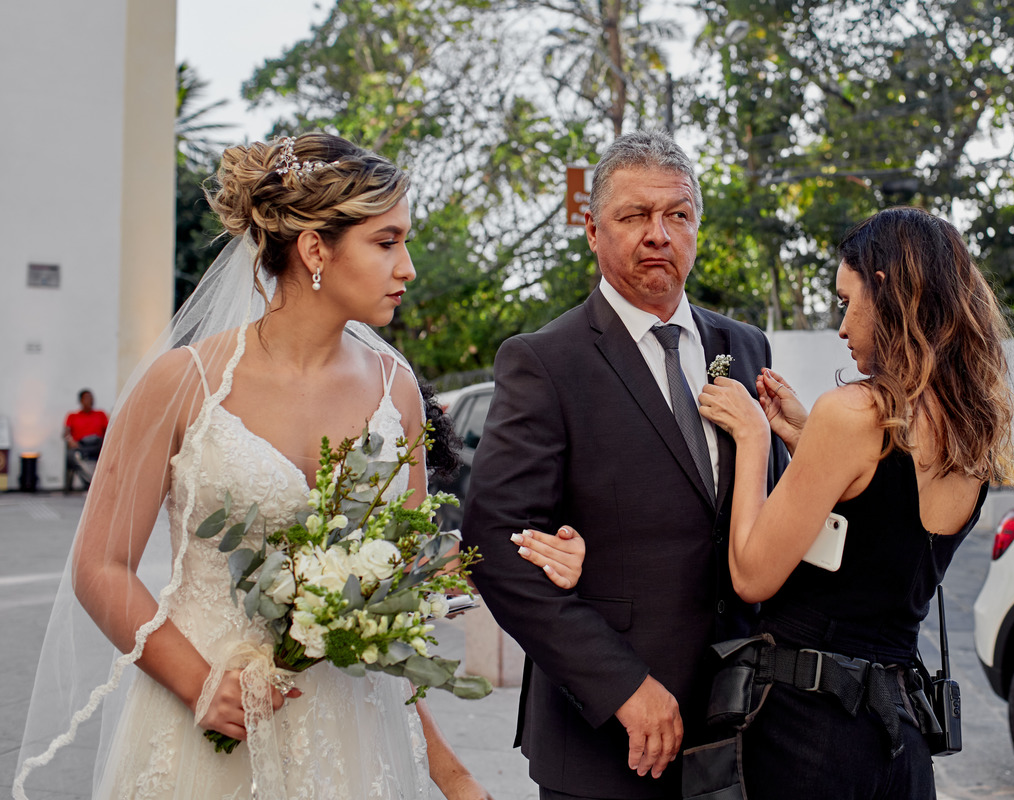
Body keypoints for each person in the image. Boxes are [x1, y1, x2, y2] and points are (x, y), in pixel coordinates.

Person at [13, 133, 573, 800]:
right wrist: (199, 684)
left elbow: (393, 600)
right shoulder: (181, 383)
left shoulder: (397, 390)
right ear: (316, 249)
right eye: (387, 241)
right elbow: (99, 565)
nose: (409, 267)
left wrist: (528, 554)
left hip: (354, 739)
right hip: (204, 732)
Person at [461, 130, 789, 800]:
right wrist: (622, 687)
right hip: (608, 738)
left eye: (677, 215)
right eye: (634, 216)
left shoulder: (745, 345)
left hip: (744, 720)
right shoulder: (545, 361)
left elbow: (770, 509)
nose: (658, 235)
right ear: (591, 231)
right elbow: (494, 545)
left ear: (698, 224)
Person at [695, 206, 1014, 799]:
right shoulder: (973, 430)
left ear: (889, 291)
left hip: (808, 734)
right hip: (899, 739)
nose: (842, 326)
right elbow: (880, 529)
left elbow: (750, 574)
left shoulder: (852, 415)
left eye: (847, 301)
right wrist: (803, 438)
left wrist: (754, 439)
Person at [63, 388, 108, 491]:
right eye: (87, 398)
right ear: (81, 401)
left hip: (97, 445)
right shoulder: (72, 416)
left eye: (91, 398)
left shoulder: (100, 414)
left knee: (109, 453)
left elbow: (108, 431)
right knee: (73, 456)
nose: (90, 400)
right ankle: (92, 482)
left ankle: (98, 483)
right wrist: (70, 441)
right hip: (80, 445)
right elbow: (66, 434)